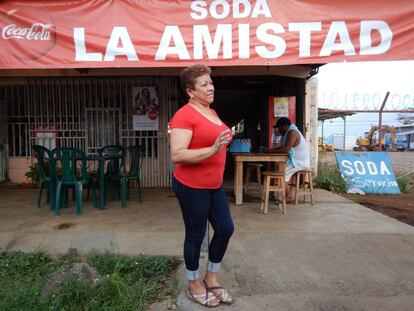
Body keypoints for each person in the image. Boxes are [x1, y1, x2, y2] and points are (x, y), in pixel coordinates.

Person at [169, 64, 234, 307]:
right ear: (190, 91)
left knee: (225, 228)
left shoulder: (212, 112)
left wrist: (223, 140)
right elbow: (177, 154)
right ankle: (193, 282)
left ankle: (211, 277)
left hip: (213, 184)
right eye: (204, 84)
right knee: (196, 234)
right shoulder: (184, 115)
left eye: (211, 82)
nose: (211, 87)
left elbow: (215, 139)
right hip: (190, 185)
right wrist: (214, 148)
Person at [267, 117, 310, 200]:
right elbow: (283, 148)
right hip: (296, 160)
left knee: (280, 175)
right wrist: (270, 150)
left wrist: (269, 151)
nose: (278, 130)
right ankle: (276, 194)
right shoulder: (289, 131)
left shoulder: (292, 132)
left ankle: (288, 195)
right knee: (277, 170)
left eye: (279, 128)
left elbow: (285, 150)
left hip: (300, 162)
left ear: (285, 126)